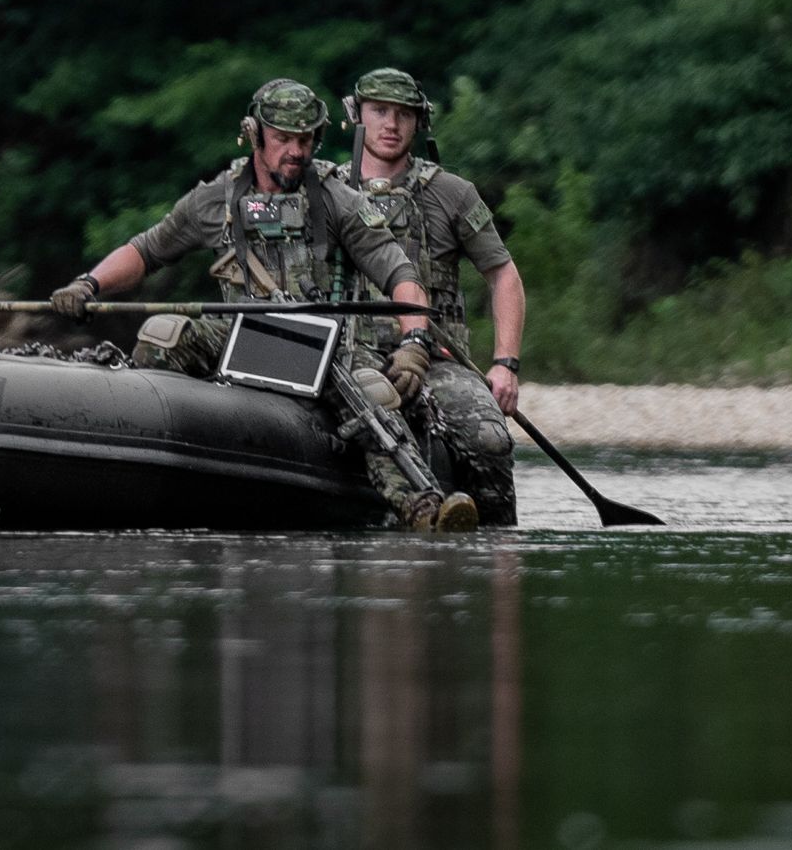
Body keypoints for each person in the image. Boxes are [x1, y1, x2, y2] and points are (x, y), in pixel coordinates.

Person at [48, 78, 477, 532]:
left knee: (371, 394)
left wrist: (413, 341)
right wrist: (88, 284)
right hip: (240, 333)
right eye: (283, 139)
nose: (295, 150)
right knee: (164, 335)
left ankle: (422, 507)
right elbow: (146, 251)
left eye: (305, 140)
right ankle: (143, 466)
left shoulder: (337, 199)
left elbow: (401, 275)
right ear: (255, 135)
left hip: (323, 343)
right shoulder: (216, 199)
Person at [333, 66, 524, 526]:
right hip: (346, 356)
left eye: (404, 114)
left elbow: (504, 275)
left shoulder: (451, 194)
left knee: (489, 439)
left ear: (420, 122)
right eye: (379, 111)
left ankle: (498, 539)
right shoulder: (326, 190)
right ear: (356, 116)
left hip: (437, 359)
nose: (390, 125)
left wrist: (505, 364)